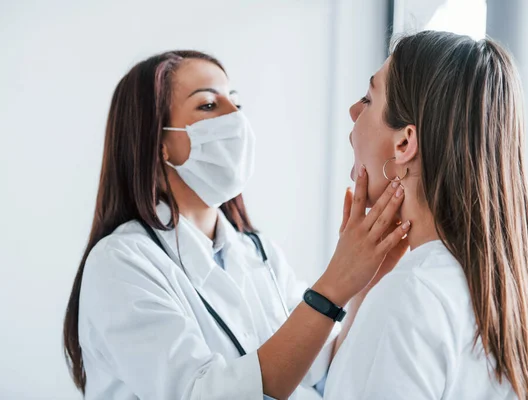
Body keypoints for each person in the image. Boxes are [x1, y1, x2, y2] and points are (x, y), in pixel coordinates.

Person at [62, 50, 411, 400]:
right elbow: (202, 394)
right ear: (158, 143)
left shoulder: (256, 251)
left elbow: (322, 369)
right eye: (209, 106)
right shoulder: (120, 264)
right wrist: (335, 283)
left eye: (236, 103)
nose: (236, 119)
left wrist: (366, 281)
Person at [324, 31, 528, 400]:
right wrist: (365, 289)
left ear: (404, 143)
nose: (354, 110)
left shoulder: (412, 295)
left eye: (368, 99)